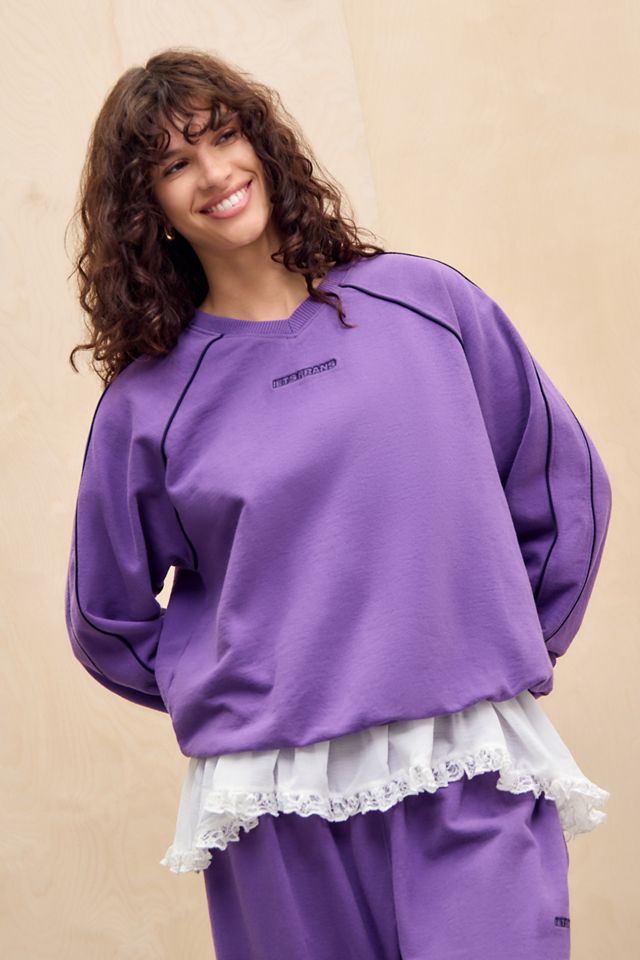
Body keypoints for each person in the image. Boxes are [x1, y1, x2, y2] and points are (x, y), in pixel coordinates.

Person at [64, 46, 613, 960]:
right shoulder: (149, 405)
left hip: (468, 763)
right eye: (174, 164)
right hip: (277, 803)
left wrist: (498, 644)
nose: (214, 174)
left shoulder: (426, 303)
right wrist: (243, 694)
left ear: (261, 141)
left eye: (223, 137)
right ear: (145, 208)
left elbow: (561, 486)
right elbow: (104, 616)